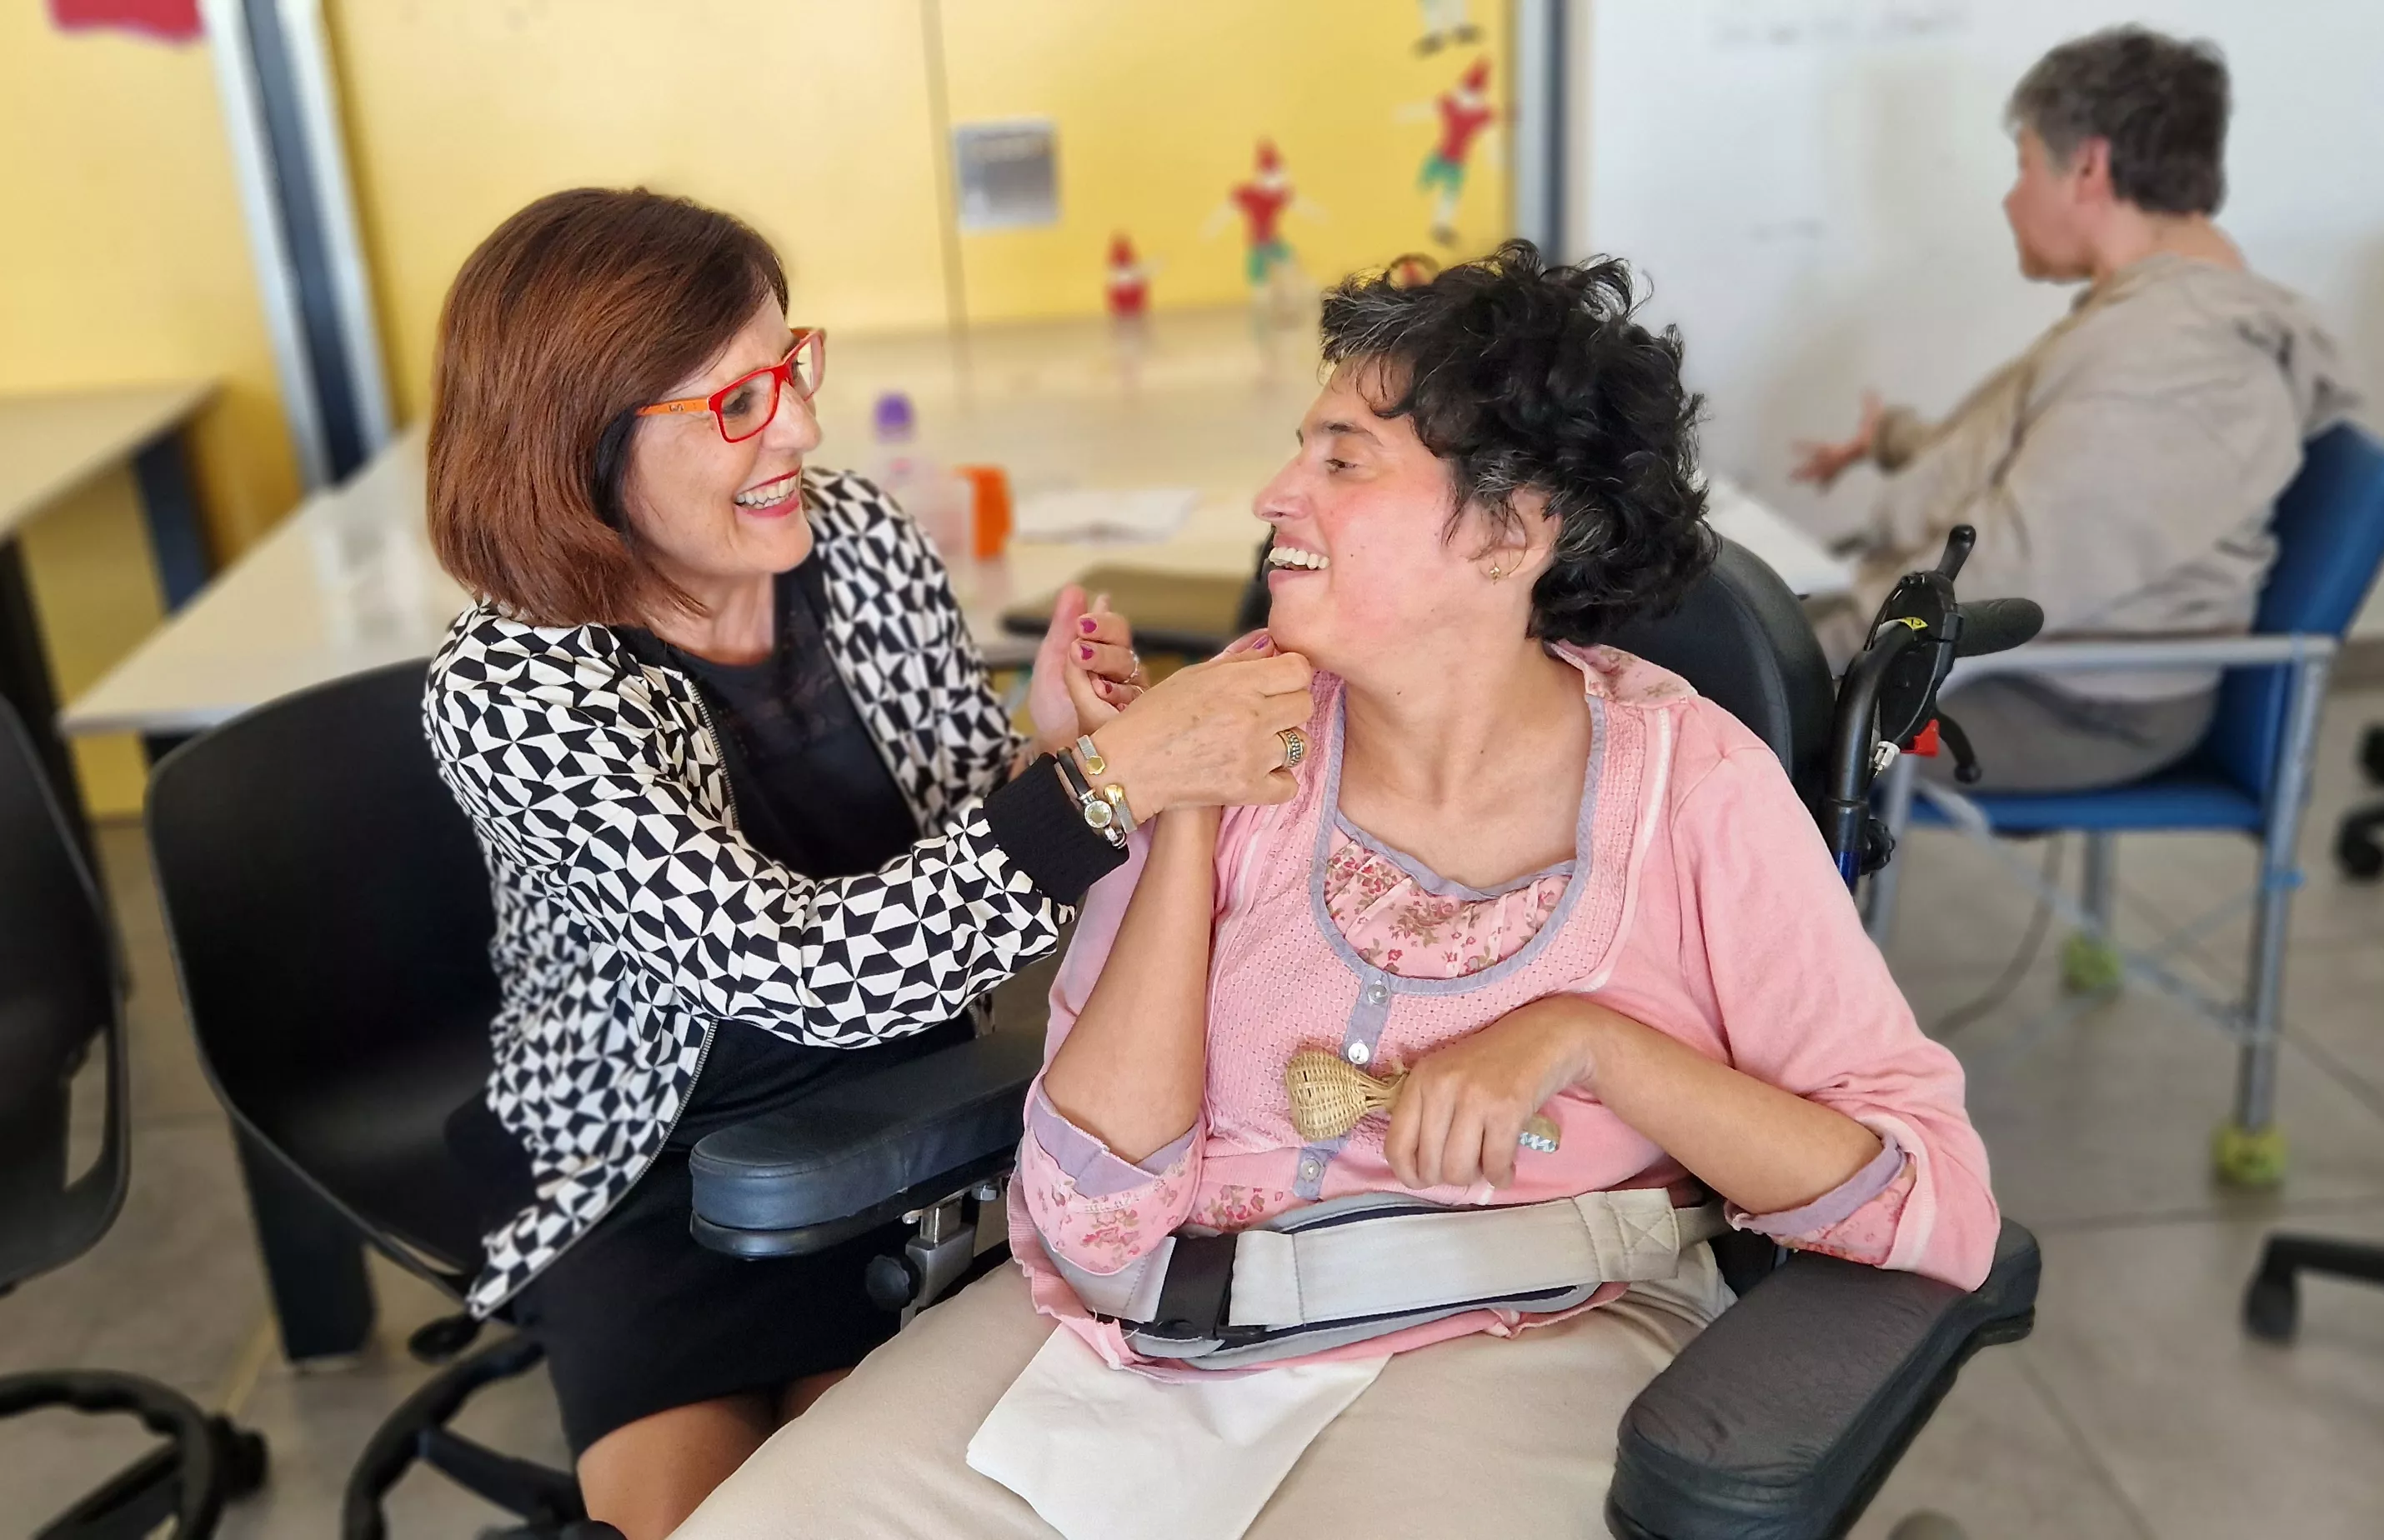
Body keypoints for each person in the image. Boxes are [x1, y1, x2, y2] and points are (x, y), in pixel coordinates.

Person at [672, 243, 1997, 1540]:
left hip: (1518, 1338)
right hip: (1143, 1330)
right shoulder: (1233, 725)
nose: (1272, 495)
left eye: (1341, 461)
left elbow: (1934, 1205)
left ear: (1514, 530)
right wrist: (1181, 808)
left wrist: (1597, 1044)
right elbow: (1092, 1221)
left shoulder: (1693, 787)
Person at [418, 188, 1315, 1539]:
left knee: (898, 1503)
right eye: (735, 404)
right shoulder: (509, 689)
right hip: (652, 1162)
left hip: (907, 1098)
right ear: (578, 449)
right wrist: (1107, 785)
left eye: (793, 367)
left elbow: (969, 847)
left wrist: (1048, 755)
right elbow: (806, 967)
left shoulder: (851, 539)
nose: (801, 426)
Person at [1792, 25, 2359, 792]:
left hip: (2077, 702)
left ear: (2088, 166)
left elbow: (2007, 568)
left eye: (2023, 166)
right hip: (2045, 662)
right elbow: (2050, 464)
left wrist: (1803, 646)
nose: (2010, 196)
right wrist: (1895, 441)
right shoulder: (2154, 323)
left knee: (1751, 733)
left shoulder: (2176, 360)